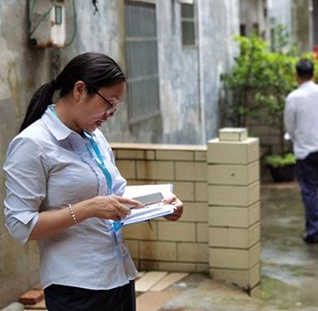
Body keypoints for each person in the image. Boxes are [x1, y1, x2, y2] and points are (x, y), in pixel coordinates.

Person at [4, 52, 184, 311]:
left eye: (116, 105)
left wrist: (161, 204)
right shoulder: (32, 144)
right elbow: (20, 226)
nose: (111, 113)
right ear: (80, 90)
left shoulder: (94, 136)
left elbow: (114, 195)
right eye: (109, 103)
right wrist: (88, 209)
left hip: (118, 275)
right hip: (76, 289)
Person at [284, 58, 318, 244]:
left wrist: (296, 137)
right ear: (313, 74)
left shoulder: (293, 97)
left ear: (297, 75)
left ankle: (314, 229)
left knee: (309, 190)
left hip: (306, 149)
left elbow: (290, 126)